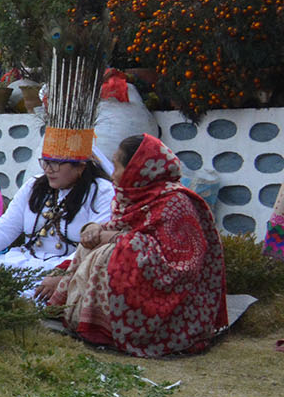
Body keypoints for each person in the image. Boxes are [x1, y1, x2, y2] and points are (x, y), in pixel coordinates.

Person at [51, 135, 227, 357]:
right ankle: (82, 317)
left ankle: (113, 328)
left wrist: (114, 240)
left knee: (108, 254)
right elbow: (124, 226)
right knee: (95, 245)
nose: (113, 174)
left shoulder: (176, 203)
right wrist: (95, 228)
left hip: (176, 307)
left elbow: (181, 265)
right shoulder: (136, 196)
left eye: (117, 166)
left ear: (137, 169)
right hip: (146, 277)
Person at [0, 156, 115, 297]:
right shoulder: (34, 185)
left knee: (31, 295)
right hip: (24, 259)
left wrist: (62, 273)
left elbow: (93, 244)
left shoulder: (101, 191)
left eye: (57, 163)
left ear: (80, 166)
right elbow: (5, 227)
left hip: (69, 266)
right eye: (45, 162)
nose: (48, 169)